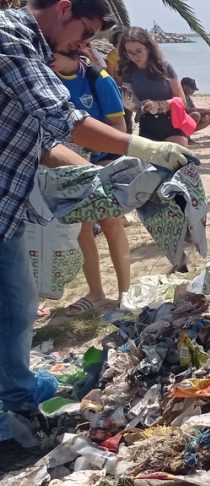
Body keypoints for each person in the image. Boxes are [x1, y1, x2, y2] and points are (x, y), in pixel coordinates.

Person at [1, 0, 193, 447]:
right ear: (63, 9)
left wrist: (101, 179)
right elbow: (62, 117)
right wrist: (144, 147)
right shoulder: (9, 37)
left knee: (17, 303)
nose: (82, 49)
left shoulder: (36, 47)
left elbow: (43, 144)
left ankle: (17, 389)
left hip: (5, 210)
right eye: (83, 34)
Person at [50, 49, 132, 315]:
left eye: (53, 55)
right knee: (82, 229)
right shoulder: (46, 79)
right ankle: (96, 293)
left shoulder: (99, 79)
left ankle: (125, 294)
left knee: (112, 224)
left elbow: (120, 130)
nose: (48, 61)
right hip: (67, 166)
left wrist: (104, 164)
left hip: (103, 164)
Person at [117, 26, 187, 145]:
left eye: (139, 51)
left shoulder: (164, 67)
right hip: (147, 124)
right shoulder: (128, 72)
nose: (135, 56)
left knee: (176, 161)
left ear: (148, 48)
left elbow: (182, 101)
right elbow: (132, 104)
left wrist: (158, 105)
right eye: (130, 52)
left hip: (172, 123)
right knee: (150, 163)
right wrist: (132, 104)